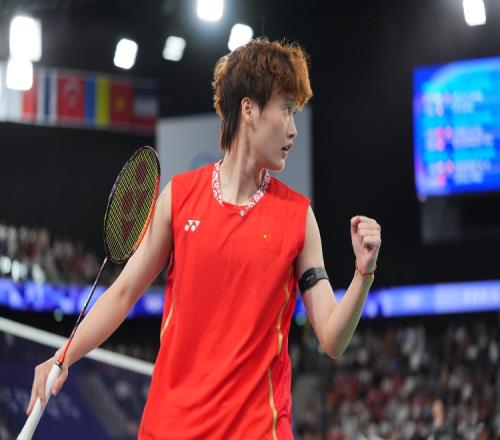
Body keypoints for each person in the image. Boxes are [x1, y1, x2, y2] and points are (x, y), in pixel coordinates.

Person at [27, 37, 381, 439]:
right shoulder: (180, 197)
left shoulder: (298, 217)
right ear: (249, 109)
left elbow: (332, 338)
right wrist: (63, 356)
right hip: (171, 428)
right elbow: (123, 293)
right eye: (286, 109)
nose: (293, 128)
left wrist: (363, 273)